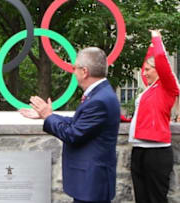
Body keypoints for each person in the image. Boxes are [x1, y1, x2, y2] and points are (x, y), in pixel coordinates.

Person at [20, 47, 120, 203]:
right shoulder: (100, 94)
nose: (73, 72)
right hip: (90, 182)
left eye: (75, 68)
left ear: (85, 71)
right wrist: (47, 116)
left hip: (92, 183)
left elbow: (73, 134)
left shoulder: (99, 100)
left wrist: (48, 116)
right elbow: (79, 123)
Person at [129, 30, 179, 203]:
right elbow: (143, 115)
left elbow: (162, 61)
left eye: (148, 69)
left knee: (156, 199)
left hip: (156, 153)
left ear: (159, 70)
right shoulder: (149, 90)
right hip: (139, 150)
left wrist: (156, 39)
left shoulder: (167, 86)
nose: (145, 73)